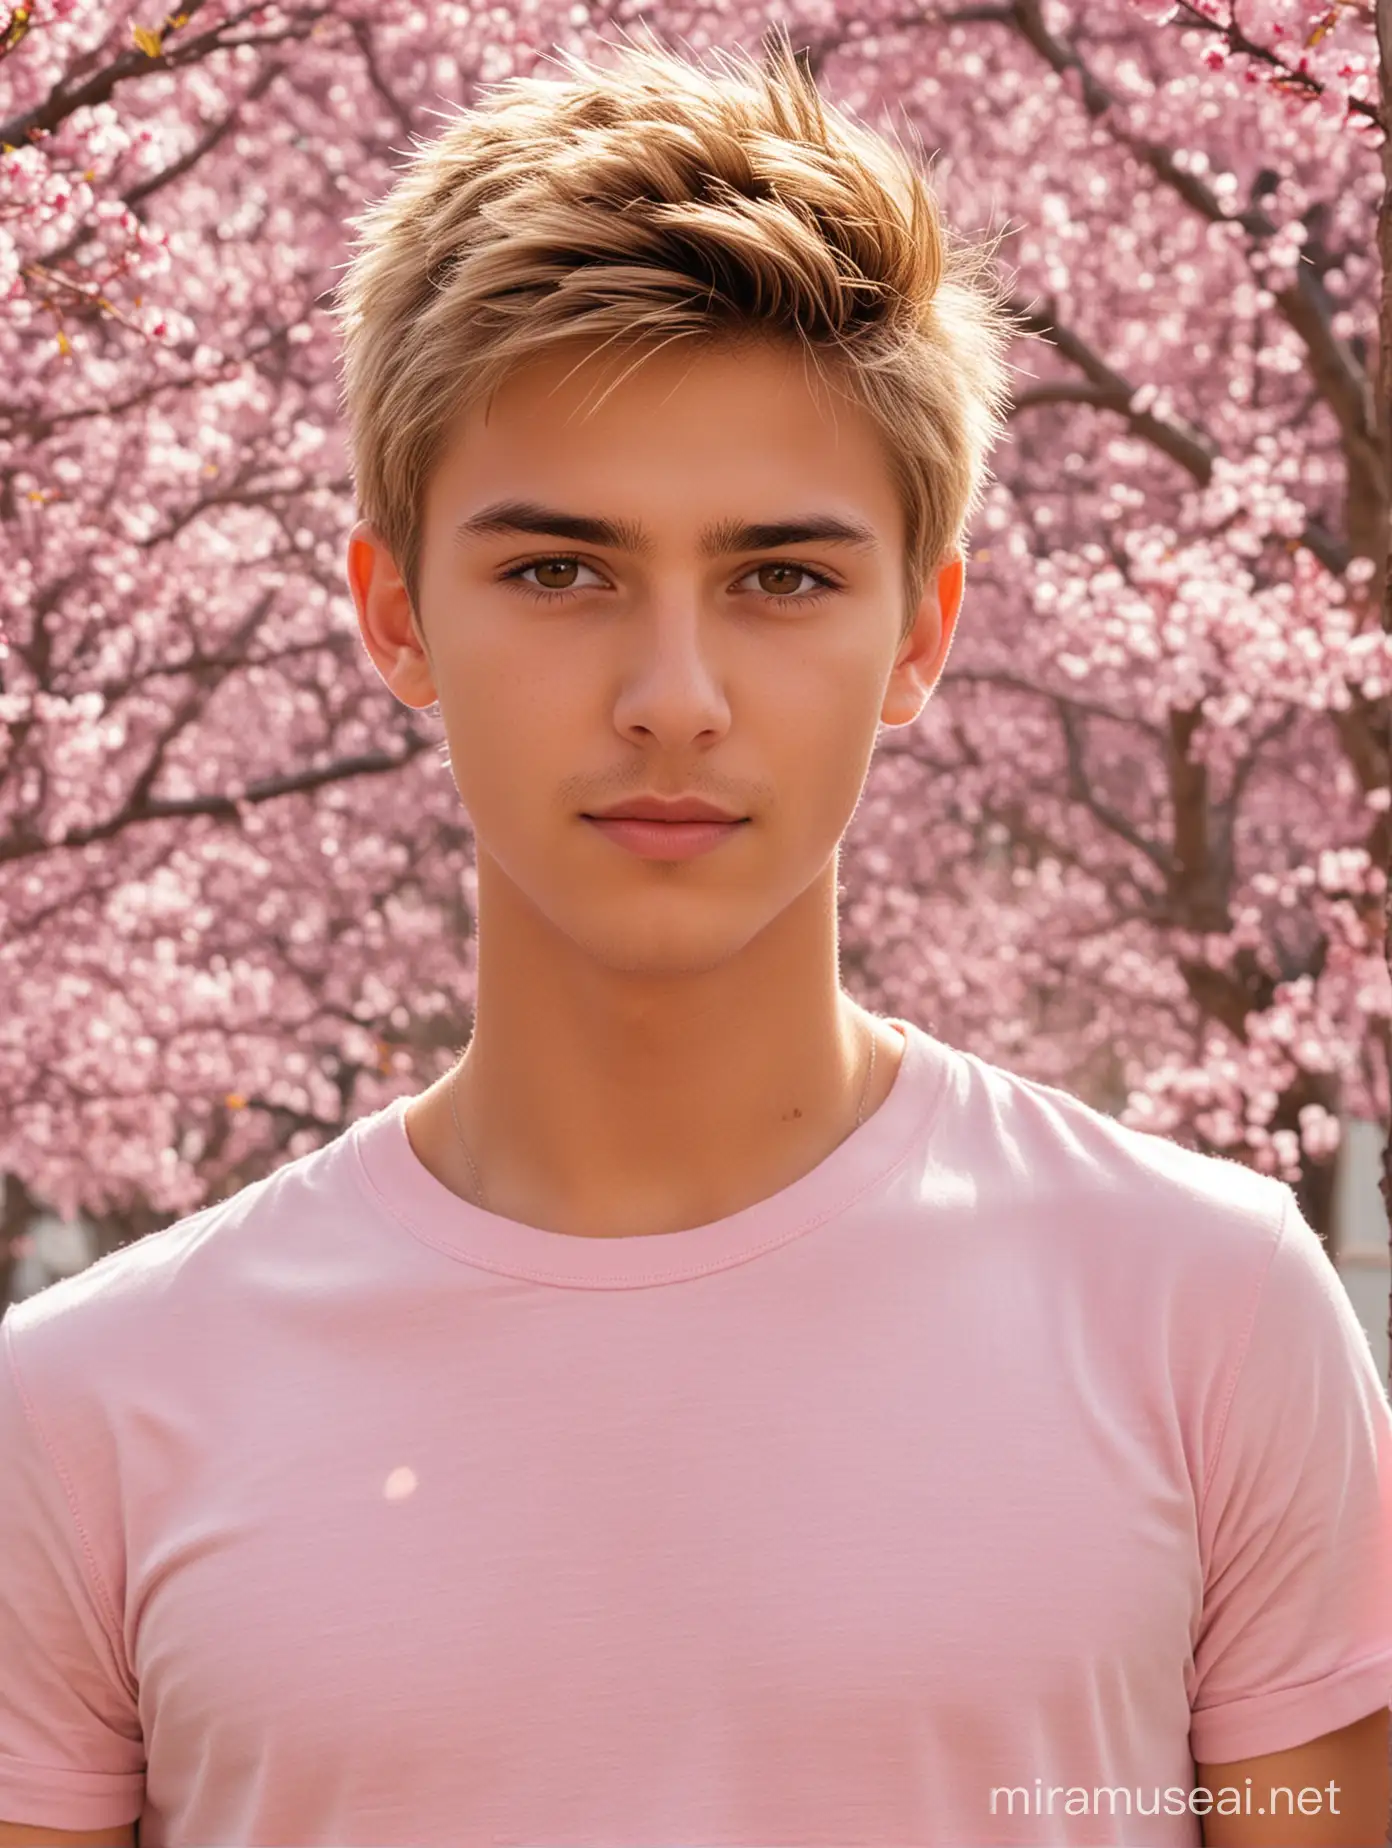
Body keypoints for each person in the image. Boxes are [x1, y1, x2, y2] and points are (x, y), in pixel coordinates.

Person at [1, 28, 1389, 1848]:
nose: (674, 698)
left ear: (922, 628)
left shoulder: (1205, 1312)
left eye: (783, 578)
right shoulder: (91, 1404)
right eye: (558, 570)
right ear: (395, 613)